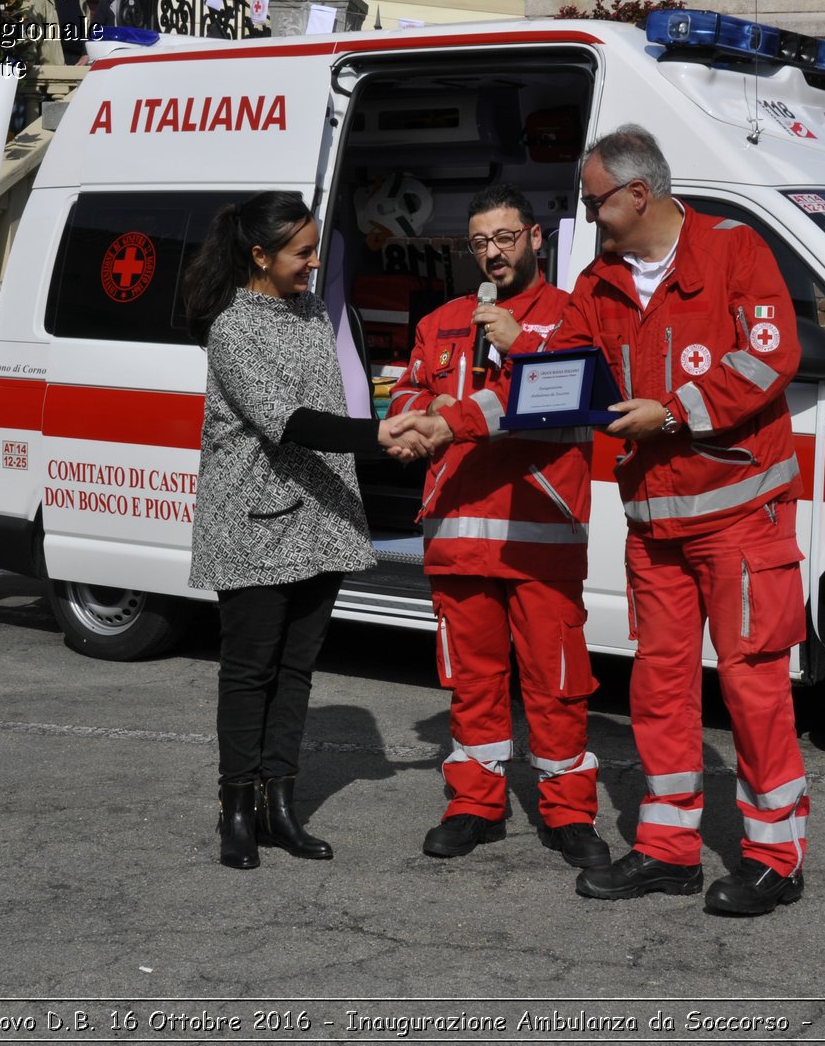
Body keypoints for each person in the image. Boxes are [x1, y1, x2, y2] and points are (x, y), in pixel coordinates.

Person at [555, 126, 809, 916]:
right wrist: (459, 419)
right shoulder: (598, 283)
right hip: (654, 531)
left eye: (596, 199)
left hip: (739, 517)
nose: (589, 213)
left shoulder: (735, 250)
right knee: (661, 691)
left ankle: (777, 856)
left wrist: (672, 414)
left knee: (754, 689)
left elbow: (770, 360)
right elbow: (556, 374)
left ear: (638, 193)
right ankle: (668, 848)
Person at [184, 190, 430, 870]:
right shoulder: (234, 326)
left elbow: (327, 406)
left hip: (319, 520)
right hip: (255, 526)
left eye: (316, 247)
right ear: (258, 255)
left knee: (294, 672)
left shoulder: (313, 310)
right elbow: (289, 422)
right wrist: (379, 436)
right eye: (302, 251)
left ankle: (278, 805)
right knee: (249, 672)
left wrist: (383, 428)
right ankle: (236, 810)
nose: (315, 263)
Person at [387, 185, 607, 868]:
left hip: (538, 530)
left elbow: (568, 396)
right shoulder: (444, 318)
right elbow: (408, 389)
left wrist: (518, 346)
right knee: (472, 679)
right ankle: (474, 802)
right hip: (457, 530)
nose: (492, 253)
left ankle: (568, 811)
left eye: (505, 238)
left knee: (557, 681)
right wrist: (420, 412)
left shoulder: (571, 317)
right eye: (479, 242)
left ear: (536, 237)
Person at [26, 0, 87, 66]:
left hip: (80, 66)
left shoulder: (80, 0)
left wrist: (86, 54)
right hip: (52, 66)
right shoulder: (40, 0)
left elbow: (88, 33)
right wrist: (28, 58)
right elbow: (32, 33)